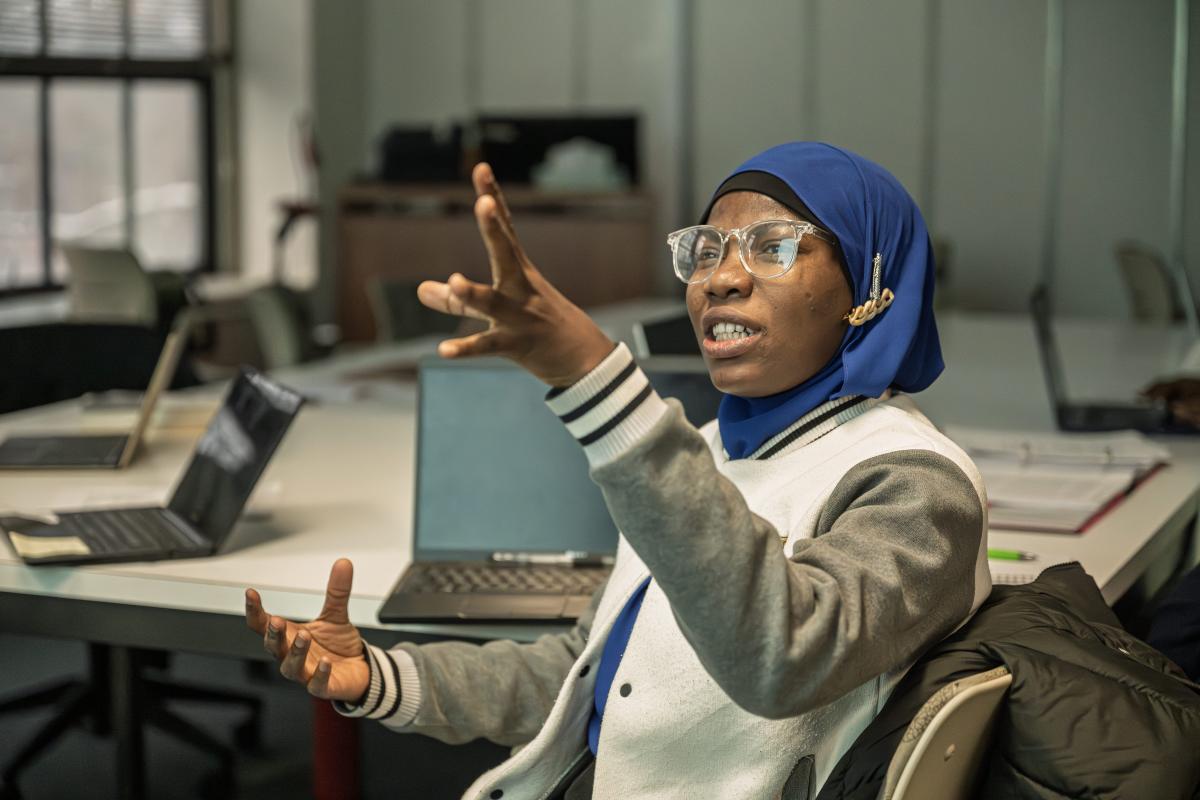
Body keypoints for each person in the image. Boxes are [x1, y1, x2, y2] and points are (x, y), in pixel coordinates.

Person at [244, 142, 991, 799]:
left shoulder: (916, 482)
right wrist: (378, 678)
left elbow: (783, 657)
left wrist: (598, 381)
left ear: (869, 287)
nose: (720, 279)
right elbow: (585, 674)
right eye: (705, 250)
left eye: (773, 246)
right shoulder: (709, 451)